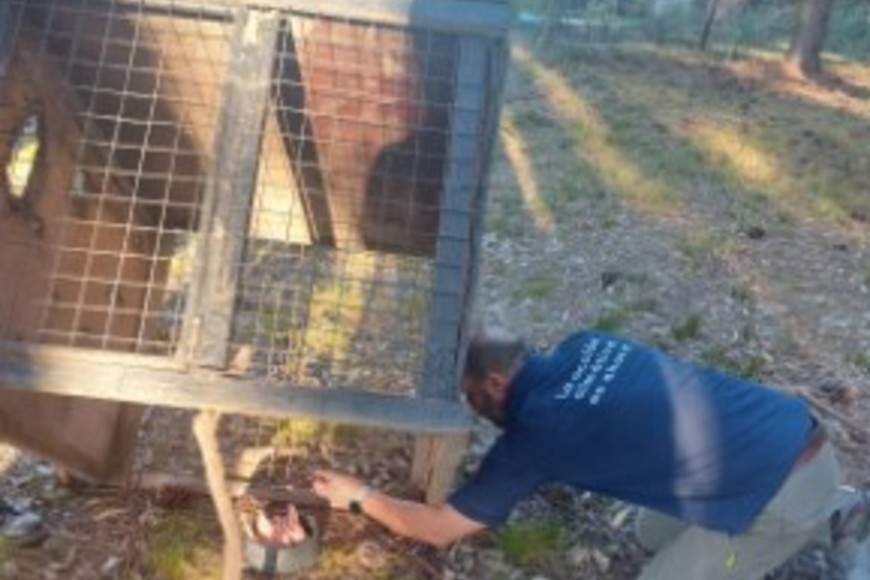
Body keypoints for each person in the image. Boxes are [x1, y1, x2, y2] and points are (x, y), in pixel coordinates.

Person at [313, 327, 866, 579]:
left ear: (498, 381)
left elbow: (437, 529)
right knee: (649, 535)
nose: (472, 407)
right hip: (786, 430)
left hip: (777, 491)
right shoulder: (588, 344)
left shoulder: (540, 432)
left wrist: (359, 496)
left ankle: (831, 515)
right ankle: (831, 511)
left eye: (472, 395)